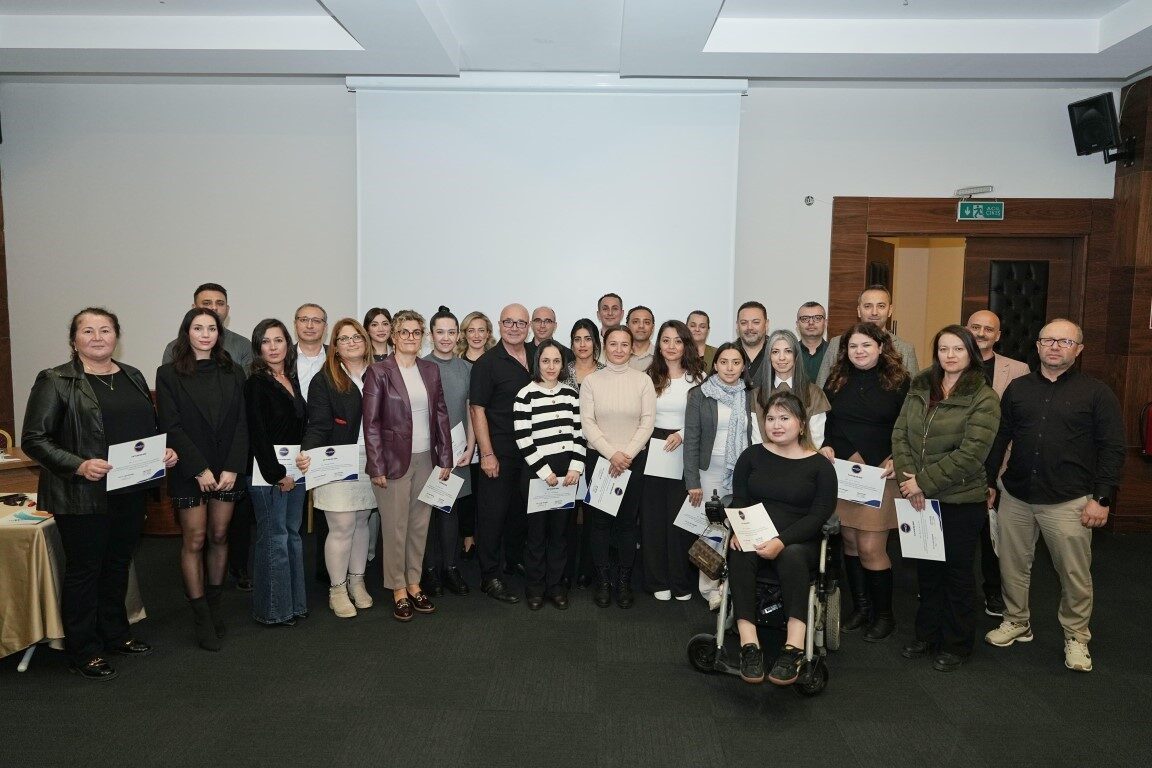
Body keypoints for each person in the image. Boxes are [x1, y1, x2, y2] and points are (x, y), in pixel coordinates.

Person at [22, 308, 178, 680]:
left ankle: (116, 633)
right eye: (88, 331)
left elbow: (146, 428)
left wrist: (164, 451)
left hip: (129, 489)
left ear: (116, 336)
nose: (97, 337)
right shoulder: (56, 380)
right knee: (85, 570)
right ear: (74, 339)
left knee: (118, 564)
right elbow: (34, 439)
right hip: (81, 493)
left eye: (105, 330)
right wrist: (78, 465)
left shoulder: (132, 375)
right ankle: (83, 650)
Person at [982, 319, 1124, 673]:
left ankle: (1076, 635)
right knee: (1011, 565)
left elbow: (1112, 448)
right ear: (1038, 346)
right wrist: (989, 481)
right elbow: (1001, 436)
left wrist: (1102, 498)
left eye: (1065, 341)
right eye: (1048, 340)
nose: (1055, 346)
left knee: (1074, 573)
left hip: (1069, 500)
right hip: (1016, 494)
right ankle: (1016, 620)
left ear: (1079, 349)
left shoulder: (1097, 393)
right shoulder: (1018, 388)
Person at [891, 325, 1000, 672]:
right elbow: (900, 434)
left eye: (958, 349)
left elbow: (972, 454)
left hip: (960, 501)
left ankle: (956, 643)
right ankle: (926, 635)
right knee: (928, 573)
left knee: (956, 575)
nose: (949, 355)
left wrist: (922, 483)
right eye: (943, 349)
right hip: (919, 497)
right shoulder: (920, 386)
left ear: (971, 353)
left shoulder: (983, 397)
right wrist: (910, 481)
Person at [728, 392, 837, 686]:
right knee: (739, 549)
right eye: (771, 419)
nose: (776, 425)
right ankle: (749, 644)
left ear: (801, 424)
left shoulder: (820, 466)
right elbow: (740, 500)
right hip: (756, 534)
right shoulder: (751, 456)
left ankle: (794, 647)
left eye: (784, 418)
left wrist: (781, 541)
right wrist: (739, 530)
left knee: (791, 555)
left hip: (800, 541)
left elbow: (819, 515)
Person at [156, 307, 248, 651]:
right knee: (194, 539)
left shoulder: (234, 370)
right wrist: (199, 469)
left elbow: (242, 422)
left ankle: (214, 604)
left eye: (212, 328)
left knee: (220, 534)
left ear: (219, 334)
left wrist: (233, 467)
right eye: (198, 328)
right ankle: (199, 614)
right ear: (187, 332)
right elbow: (171, 425)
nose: (205, 334)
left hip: (227, 469)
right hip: (189, 468)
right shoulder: (168, 373)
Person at [819, 322, 910, 642]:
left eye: (866, 345)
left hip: (881, 472)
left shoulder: (900, 382)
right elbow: (828, 422)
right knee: (850, 543)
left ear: (881, 347)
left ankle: (884, 615)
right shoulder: (836, 379)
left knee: (871, 547)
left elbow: (909, 427)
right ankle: (861, 608)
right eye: (853, 346)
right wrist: (826, 445)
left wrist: (899, 458)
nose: (859, 351)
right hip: (845, 472)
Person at [363, 309, 454, 622]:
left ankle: (414, 583)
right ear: (393, 336)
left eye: (416, 332)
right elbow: (371, 423)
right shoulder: (379, 372)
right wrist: (376, 466)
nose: (411, 337)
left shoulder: (430, 369)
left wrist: (445, 457)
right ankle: (398, 589)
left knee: (419, 526)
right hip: (392, 462)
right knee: (395, 527)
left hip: (426, 458)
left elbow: (440, 414)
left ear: (423, 336)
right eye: (404, 332)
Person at [297, 318, 375, 619]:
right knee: (342, 526)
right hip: (336, 459)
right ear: (336, 346)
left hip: (372, 459)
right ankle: (337, 589)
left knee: (362, 522)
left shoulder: (379, 374)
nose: (351, 342)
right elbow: (317, 424)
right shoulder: (325, 379)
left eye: (357, 337)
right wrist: (307, 451)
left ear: (365, 342)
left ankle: (357, 582)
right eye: (344, 338)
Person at [580, 325, 656, 608]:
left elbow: (647, 422)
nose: (619, 349)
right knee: (599, 523)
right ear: (605, 345)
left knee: (626, 523)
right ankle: (603, 580)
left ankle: (623, 581)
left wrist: (626, 455)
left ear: (632, 347)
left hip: (633, 461)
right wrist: (612, 454)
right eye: (613, 344)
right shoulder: (591, 382)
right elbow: (588, 424)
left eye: (625, 344)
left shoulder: (643, 381)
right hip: (600, 460)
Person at [966, 309, 1030, 618]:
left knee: (993, 534)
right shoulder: (949, 362)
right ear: (966, 329)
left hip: (1000, 464)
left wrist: (1000, 471)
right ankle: (953, 587)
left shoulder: (1018, 370)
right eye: (975, 327)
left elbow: (1021, 423)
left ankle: (993, 591)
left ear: (998, 335)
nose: (981, 333)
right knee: (958, 531)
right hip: (957, 463)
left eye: (988, 329)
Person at [244, 318, 308, 627]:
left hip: (295, 472)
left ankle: (294, 604)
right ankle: (274, 610)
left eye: (278, 340)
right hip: (268, 474)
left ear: (287, 344)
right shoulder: (255, 384)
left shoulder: (290, 378)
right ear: (258, 348)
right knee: (274, 538)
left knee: (292, 536)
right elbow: (257, 433)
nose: (273, 347)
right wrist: (277, 474)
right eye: (266, 341)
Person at [682, 342, 756, 609]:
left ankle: (732, 586)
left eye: (736, 362)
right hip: (709, 472)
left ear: (743, 366)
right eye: (724, 362)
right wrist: (692, 481)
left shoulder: (750, 395)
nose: (730, 368)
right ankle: (709, 589)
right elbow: (691, 439)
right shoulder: (699, 394)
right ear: (715, 364)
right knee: (711, 532)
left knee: (739, 530)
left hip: (742, 471)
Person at [513, 341, 586, 610]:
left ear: (562, 364)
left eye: (556, 361)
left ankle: (556, 587)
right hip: (537, 474)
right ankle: (535, 588)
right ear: (537, 363)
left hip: (567, 476)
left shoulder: (571, 394)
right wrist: (546, 473)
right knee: (536, 536)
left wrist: (575, 467)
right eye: (546, 361)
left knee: (560, 535)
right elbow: (523, 438)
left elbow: (580, 434)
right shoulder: (525, 395)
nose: (551, 366)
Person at [470, 303, 534, 604]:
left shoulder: (537, 355)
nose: (514, 327)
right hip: (500, 451)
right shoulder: (487, 363)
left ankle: (513, 560)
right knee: (493, 515)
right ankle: (490, 576)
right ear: (499, 325)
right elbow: (477, 409)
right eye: (508, 322)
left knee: (520, 512)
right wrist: (486, 454)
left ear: (528, 326)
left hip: (532, 453)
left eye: (520, 323)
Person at [640, 320, 705, 601]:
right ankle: (657, 581)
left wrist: (682, 434)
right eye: (665, 340)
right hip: (653, 448)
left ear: (686, 345)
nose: (671, 346)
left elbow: (704, 417)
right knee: (654, 517)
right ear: (659, 345)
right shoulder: (648, 377)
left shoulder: (698, 377)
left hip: (685, 448)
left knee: (680, 518)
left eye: (678, 341)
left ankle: (680, 582)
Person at [421, 306, 476, 597]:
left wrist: (471, 446)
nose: (446, 337)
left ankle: (451, 568)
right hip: (426, 452)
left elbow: (471, 411)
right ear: (431, 335)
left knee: (450, 510)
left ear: (458, 335)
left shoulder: (466, 369)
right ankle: (430, 570)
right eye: (440, 332)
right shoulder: (419, 366)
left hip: (458, 453)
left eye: (451, 332)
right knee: (427, 512)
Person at [561, 318, 605, 590]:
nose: (582, 344)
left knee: (592, 512)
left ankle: (588, 569)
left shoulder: (605, 373)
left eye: (588, 339)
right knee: (566, 513)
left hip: (596, 450)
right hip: (565, 450)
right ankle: (565, 569)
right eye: (577, 339)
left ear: (596, 343)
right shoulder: (560, 371)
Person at [816, 285, 918, 387]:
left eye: (881, 306)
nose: (874, 312)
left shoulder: (906, 349)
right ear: (859, 311)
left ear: (890, 310)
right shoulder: (836, 344)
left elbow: (915, 392)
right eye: (868, 306)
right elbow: (820, 388)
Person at [456, 310, 496, 561]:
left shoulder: (495, 361)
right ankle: (468, 536)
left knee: (488, 492)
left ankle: (487, 537)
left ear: (489, 333)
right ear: (464, 334)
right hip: (462, 435)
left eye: (481, 330)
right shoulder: (457, 363)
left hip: (492, 435)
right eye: (471, 330)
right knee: (467, 490)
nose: (476, 335)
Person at [755, 329, 830, 448]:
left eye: (788, 351)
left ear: (796, 355)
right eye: (775, 352)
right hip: (765, 457)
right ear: (769, 356)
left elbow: (816, 440)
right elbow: (757, 440)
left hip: (805, 457)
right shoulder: (756, 395)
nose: (781, 358)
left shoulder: (814, 393)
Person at [161, 282, 253, 372]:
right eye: (207, 303)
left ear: (227, 309)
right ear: (194, 308)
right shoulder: (174, 348)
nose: (214, 307)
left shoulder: (243, 345)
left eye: (220, 303)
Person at [294, 303, 328, 399]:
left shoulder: (337, 357)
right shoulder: (283, 357)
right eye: (303, 320)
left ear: (325, 327)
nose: (309, 326)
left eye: (316, 321)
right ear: (295, 324)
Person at [735, 301, 770, 389]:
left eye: (756, 322)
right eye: (744, 323)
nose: (749, 327)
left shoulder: (779, 352)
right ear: (737, 326)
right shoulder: (726, 353)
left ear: (766, 324)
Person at [795, 301, 828, 383]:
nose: (811, 322)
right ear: (797, 324)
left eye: (817, 318)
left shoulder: (836, 353)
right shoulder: (789, 353)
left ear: (825, 323)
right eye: (805, 319)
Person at [627, 306, 656, 371]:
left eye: (646, 322)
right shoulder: (617, 354)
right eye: (635, 322)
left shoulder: (662, 356)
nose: (641, 326)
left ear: (653, 328)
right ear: (627, 326)